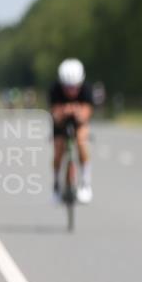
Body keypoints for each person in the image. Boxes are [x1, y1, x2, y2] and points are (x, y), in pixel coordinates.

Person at [50, 58, 94, 204]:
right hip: (60, 123)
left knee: (81, 142)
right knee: (58, 150)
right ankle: (56, 185)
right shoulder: (54, 89)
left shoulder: (86, 89)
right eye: (67, 87)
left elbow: (87, 113)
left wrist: (77, 112)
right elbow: (55, 115)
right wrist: (64, 112)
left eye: (74, 87)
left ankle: (86, 183)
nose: (71, 91)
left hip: (79, 122)